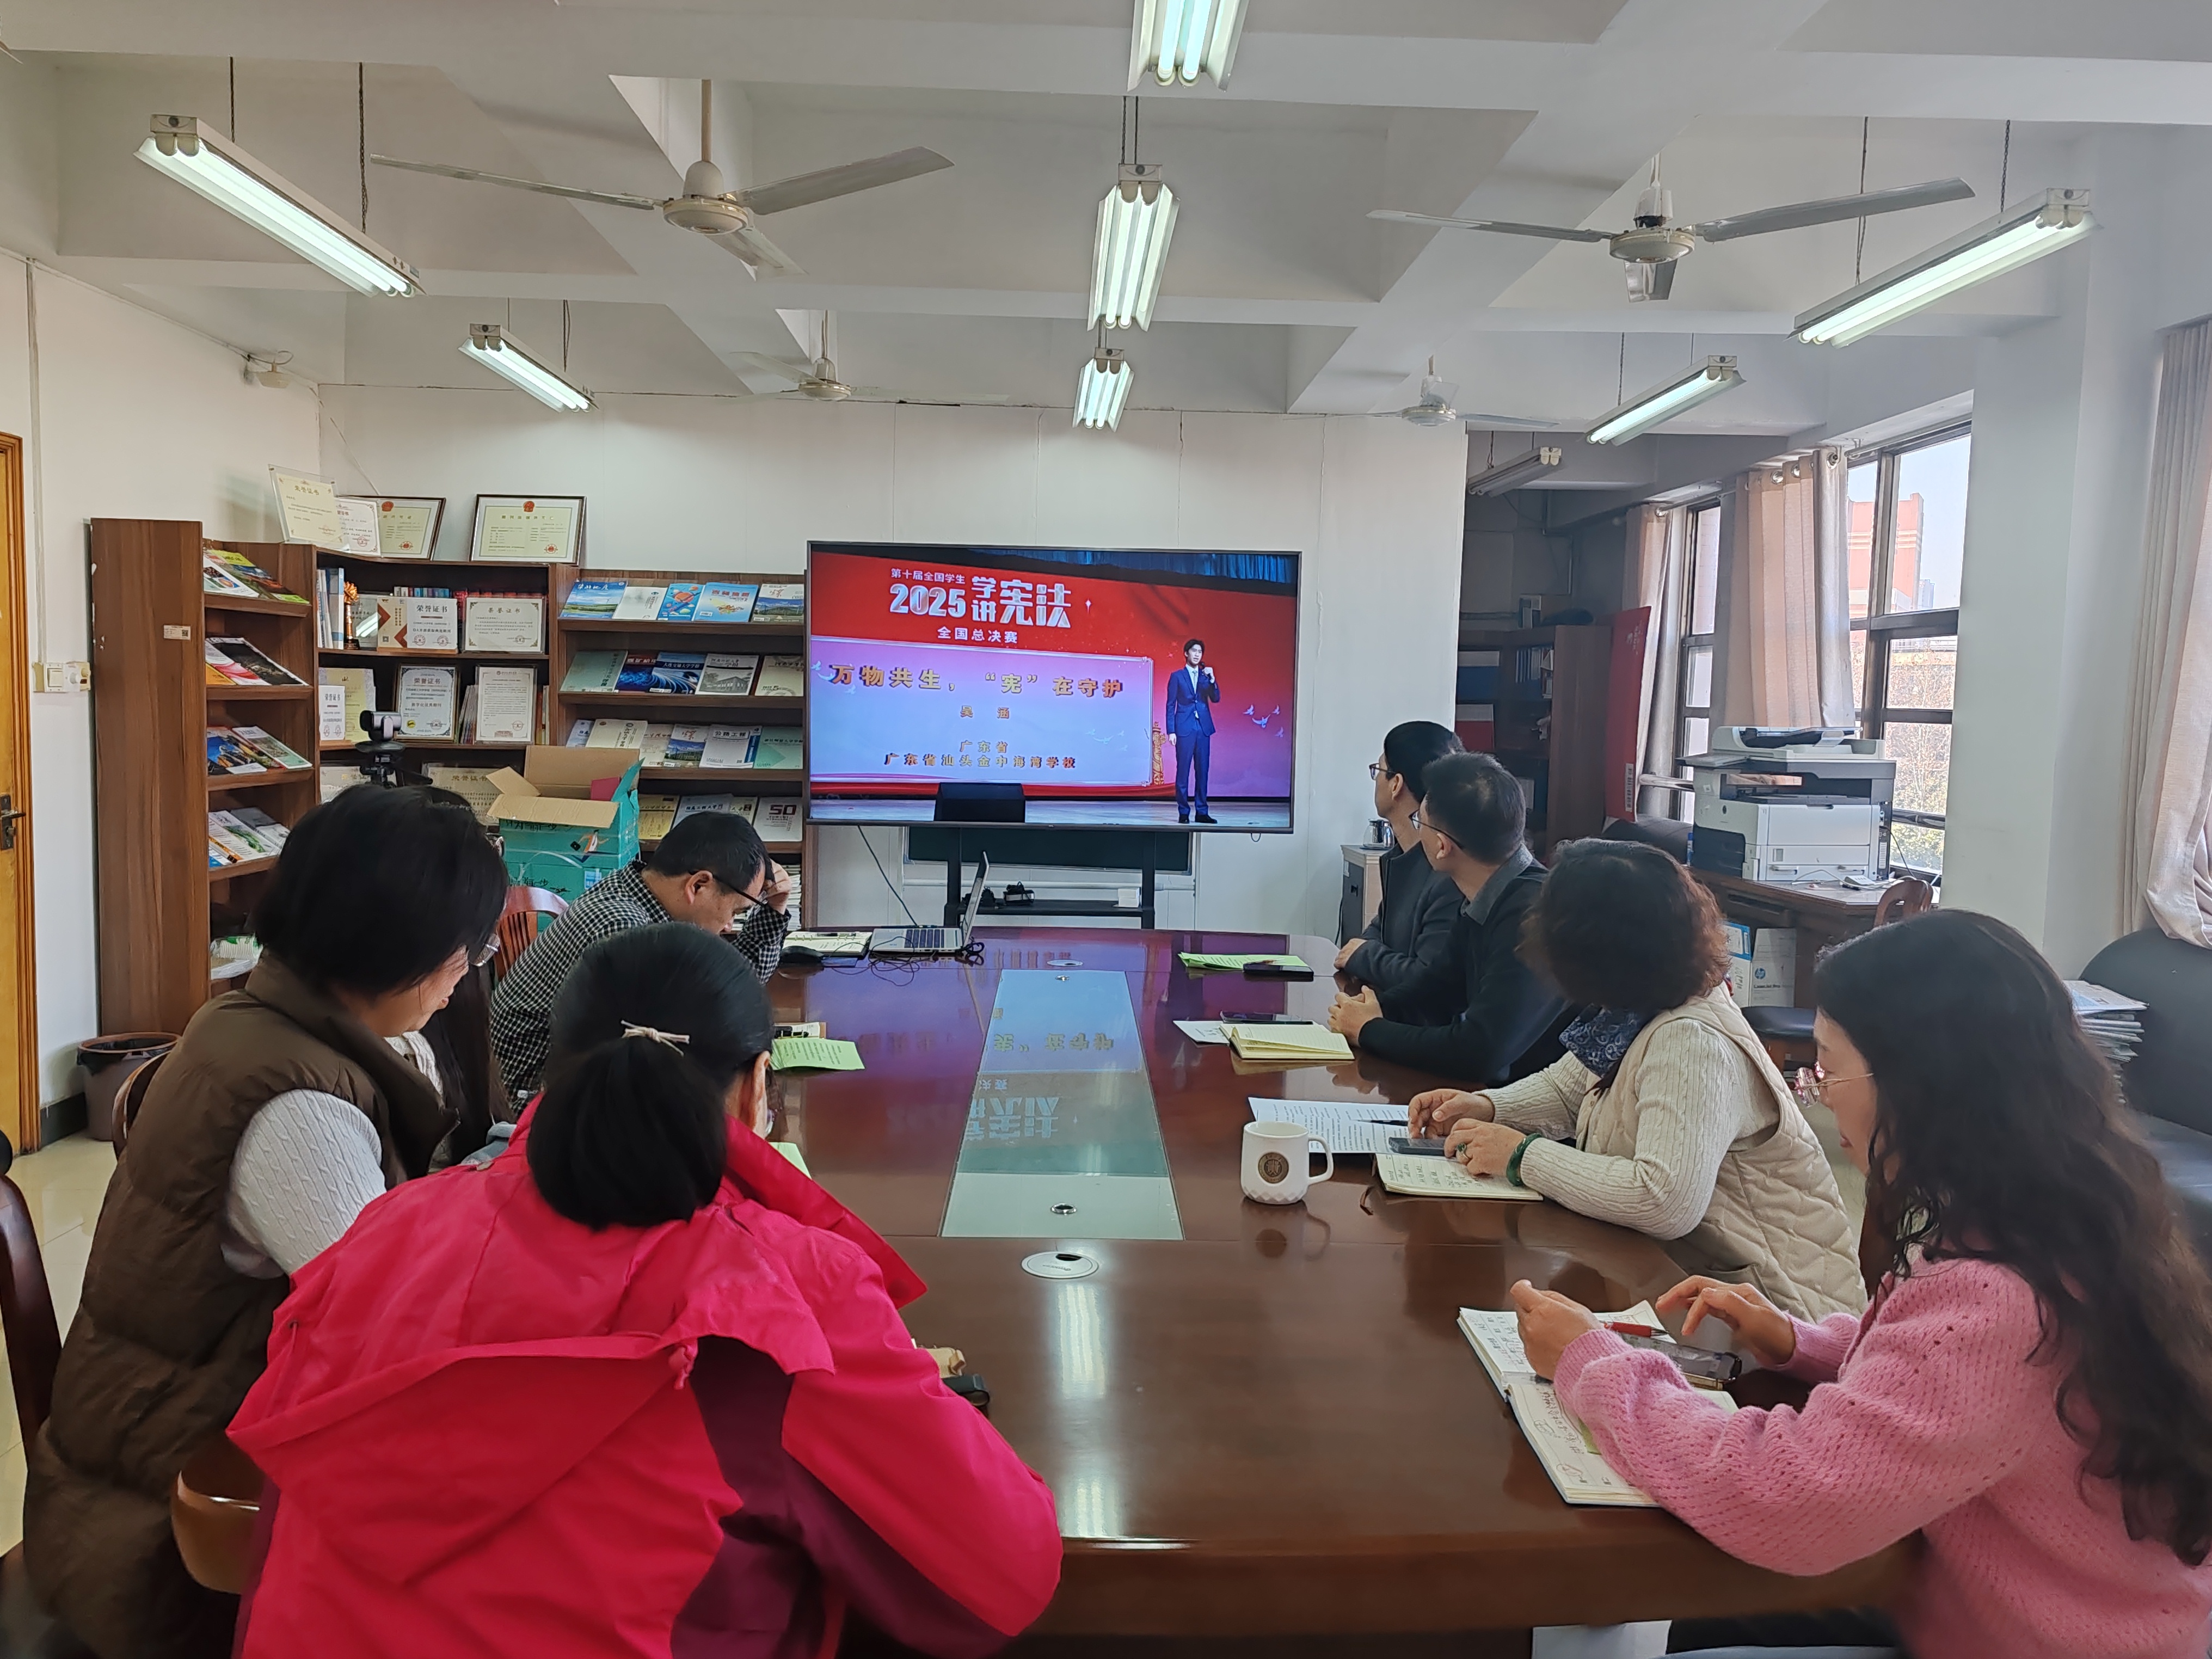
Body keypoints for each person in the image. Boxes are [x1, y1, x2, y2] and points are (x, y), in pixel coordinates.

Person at [229, 924, 1064, 1659]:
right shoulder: (786, 1294)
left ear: (552, 1076)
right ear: (758, 1089)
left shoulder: (385, 1233)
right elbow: (1001, 1580)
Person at [1510, 910, 2212, 1659]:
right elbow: (1953, 1381)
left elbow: (1783, 1497)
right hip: (2017, 1607)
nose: (1819, 1095)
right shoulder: (2054, 1210)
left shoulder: (1999, 1296)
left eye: (1828, 1068)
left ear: (1917, 1084)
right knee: (1716, 1616)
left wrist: (1594, 1364)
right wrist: (1802, 1343)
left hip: (2042, 1640)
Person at [26, 786, 507, 1659]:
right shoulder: (297, 1106)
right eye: (466, 955)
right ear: (404, 949)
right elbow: (393, 1325)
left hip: (149, 1450)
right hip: (166, 1535)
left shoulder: (263, 1020)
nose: (463, 978)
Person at [1414, 839, 1861, 1319]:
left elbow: (1664, 1199)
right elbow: (1569, 1091)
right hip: (1689, 1286)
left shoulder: (1691, 1041)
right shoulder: (1638, 1007)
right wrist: (1489, 1107)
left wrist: (1522, 1156)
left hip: (1779, 1316)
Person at [491, 808, 792, 1101]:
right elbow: (667, 1052)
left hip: (576, 1082)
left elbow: (733, 992)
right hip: (537, 1100)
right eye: (735, 911)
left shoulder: (633, 890)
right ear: (698, 885)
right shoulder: (626, 929)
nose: (728, 926)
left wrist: (774, 908)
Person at [1329, 752, 1567, 1086]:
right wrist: (1369, 1008)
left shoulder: (1533, 915)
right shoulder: (1484, 894)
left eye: (1420, 822)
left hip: (1532, 1104)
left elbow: (1480, 1053)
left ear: (1442, 846)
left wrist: (1370, 1030)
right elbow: (1437, 988)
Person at [1334, 720, 1464, 1010]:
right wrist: (1367, 953)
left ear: (1396, 785)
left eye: (1379, 771)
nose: (1376, 780)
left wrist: (1364, 955)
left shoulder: (1446, 872)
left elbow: (1427, 978)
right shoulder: (1399, 858)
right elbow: (1376, 933)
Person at [1164, 636, 1219, 823]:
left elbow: (1216, 698)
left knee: (1203, 771)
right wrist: (1171, 731)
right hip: (1184, 728)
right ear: (1186, 654)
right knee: (1183, 771)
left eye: (1200, 652)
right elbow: (1171, 705)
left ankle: (1202, 812)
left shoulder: (1205, 677)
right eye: (1194, 651)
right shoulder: (1177, 677)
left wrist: (1212, 680)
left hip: (1203, 728)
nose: (1197, 655)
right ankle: (1184, 812)